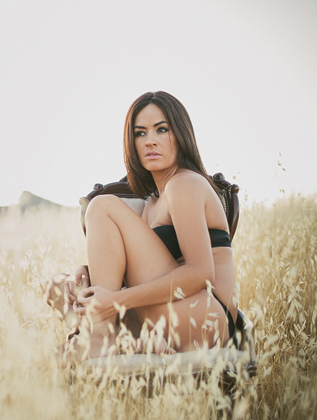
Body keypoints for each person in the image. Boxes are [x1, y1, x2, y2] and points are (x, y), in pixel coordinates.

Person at [49, 91, 236, 361]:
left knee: (102, 205)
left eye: (161, 130)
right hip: (169, 312)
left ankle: (100, 338)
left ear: (180, 135)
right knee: (57, 287)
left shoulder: (184, 184)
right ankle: (126, 340)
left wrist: (115, 302)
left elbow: (200, 273)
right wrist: (84, 271)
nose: (150, 142)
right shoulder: (153, 202)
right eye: (140, 133)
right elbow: (131, 266)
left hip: (206, 318)